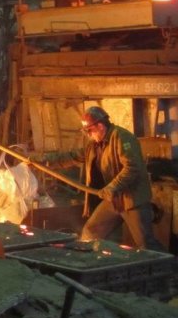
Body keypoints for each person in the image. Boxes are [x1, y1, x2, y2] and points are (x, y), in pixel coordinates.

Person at [37, 106, 164, 251]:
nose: (89, 134)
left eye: (90, 130)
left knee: (146, 244)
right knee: (91, 232)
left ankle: (170, 264)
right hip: (113, 199)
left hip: (131, 199)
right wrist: (44, 161)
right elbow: (73, 156)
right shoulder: (94, 145)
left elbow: (132, 168)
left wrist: (112, 187)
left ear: (100, 126)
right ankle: (89, 261)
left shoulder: (122, 138)